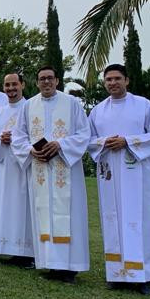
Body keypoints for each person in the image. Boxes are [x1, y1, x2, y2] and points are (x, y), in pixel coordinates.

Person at [88, 63, 150, 294]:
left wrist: (128, 141)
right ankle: (117, 273)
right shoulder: (98, 110)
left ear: (127, 80)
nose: (112, 83)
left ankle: (143, 277)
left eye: (117, 78)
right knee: (112, 218)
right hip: (109, 174)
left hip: (137, 172)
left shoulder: (142, 105)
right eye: (108, 79)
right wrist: (104, 142)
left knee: (140, 219)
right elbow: (89, 138)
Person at [12, 65, 91, 283]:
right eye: (41, 79)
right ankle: (50, 264)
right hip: (40, 171)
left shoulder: (72, 103)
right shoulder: (29, 106)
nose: (46, 82)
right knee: (43, 214)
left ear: (57, 81)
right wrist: (31, 149)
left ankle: (70, 268)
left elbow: (85, 133)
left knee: (69, 215)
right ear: (36, 83)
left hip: (66, 169)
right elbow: (18, 136)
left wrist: (61, 145)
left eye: (50, 78)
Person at [0, 72, 34, 264]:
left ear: (22, 84)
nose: (11, 89)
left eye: (14, 84)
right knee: (6, 205)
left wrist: (17, 142)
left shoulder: (30, 108)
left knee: (24, 206)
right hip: (5, 166)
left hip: (25, 165)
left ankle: (26, 251)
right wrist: (0, 140)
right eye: (7, 85)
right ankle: (8, 246)